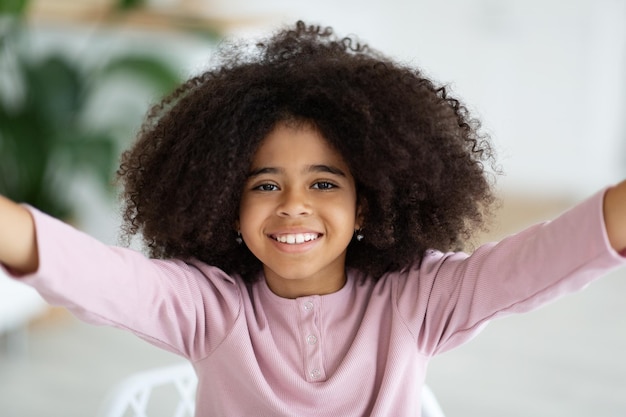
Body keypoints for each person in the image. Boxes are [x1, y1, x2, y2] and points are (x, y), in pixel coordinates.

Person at [1, 21, 625, 417]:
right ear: (225, 202)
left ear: (369, 200)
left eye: (324, 182)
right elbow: (91, 272)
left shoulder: (420, 299)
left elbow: (555, 253)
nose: (294, 204)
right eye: (264, 183)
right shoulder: (207, 308)